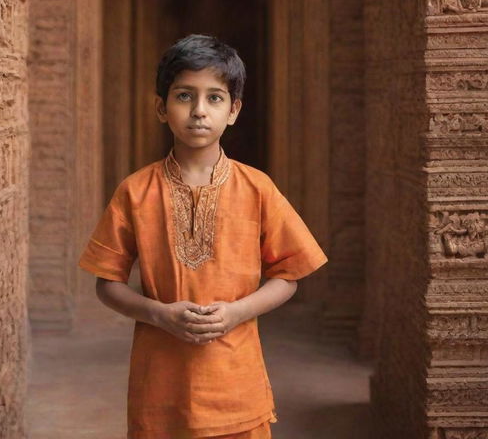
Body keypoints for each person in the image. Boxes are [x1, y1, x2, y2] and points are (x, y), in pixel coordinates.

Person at [78, 33, 328, 439]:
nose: (198, 111)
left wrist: (236, 313)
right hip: (160, 386)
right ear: (161, 107)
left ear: (234, 110)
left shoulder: (257, 187)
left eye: (214, 98)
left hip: (236, 382)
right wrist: (160, 314)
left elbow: (289, 275)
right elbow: (107, 284)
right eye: (183, 96)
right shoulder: (135, 190)